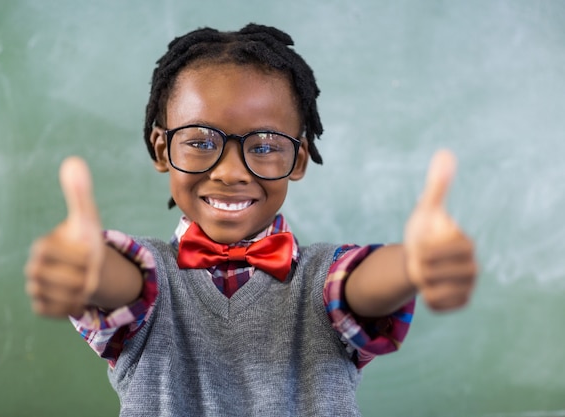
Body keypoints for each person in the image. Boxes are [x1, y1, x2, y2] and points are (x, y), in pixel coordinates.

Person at [24, 23, 478, 416]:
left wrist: (411, 263)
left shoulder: (323, 279)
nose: (230, 171)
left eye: (263, 146)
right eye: (200, 142)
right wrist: (88, 267)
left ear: (298, 159)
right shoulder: (148, 277)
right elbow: (124, 279)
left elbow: (360, 284)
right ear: (162, 149)